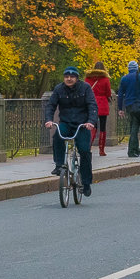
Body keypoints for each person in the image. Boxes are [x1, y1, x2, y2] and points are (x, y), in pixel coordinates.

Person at [43, 66, 98, 196]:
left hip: (82, 124)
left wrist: (91, 121)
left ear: (77, 78)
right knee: (57, 136)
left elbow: (92, 105)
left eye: (72, 77)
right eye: (66, 76)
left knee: (84, 151)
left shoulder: (85, 88)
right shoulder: (59, 89)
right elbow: (51, 105)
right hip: (66, 123)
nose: (69, 79)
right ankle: (59, 164)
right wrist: (49, 120)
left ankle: (86, 182)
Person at [116, 60, 140, 157]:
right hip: (138, 105)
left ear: (128, 69)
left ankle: (136, 149)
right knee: (135, 127)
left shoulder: (124, 78)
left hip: (128, 105)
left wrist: (120, 108)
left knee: (133, 125)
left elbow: (120, 95)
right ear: (136, 68)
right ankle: (131, 151)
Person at [83, 61, 112, 156]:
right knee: (102, 127)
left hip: (91, 104)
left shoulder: (87, 78)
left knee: (92, 126)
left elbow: (85, 90)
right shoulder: (105, 79)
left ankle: (88, 146)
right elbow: (108, 93)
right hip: (102, 104)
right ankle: (101, 150)